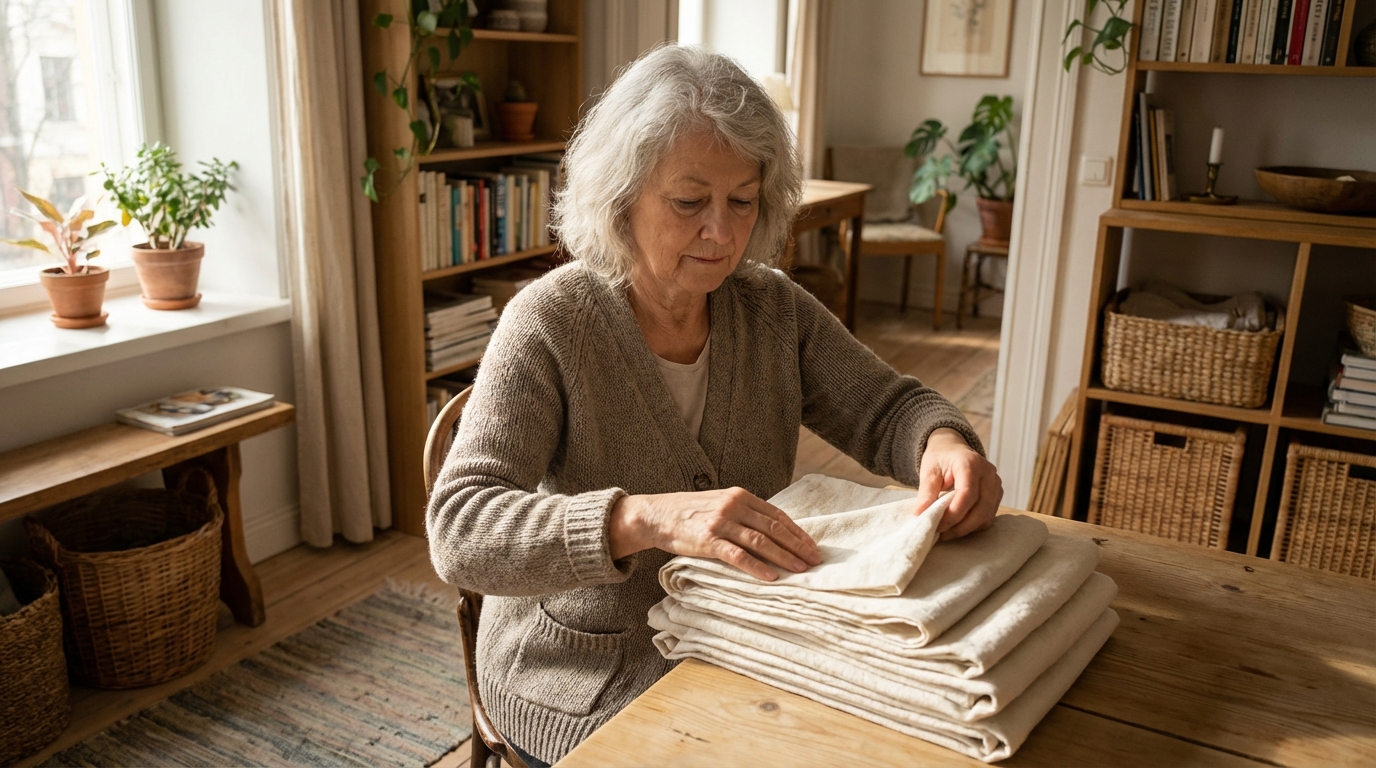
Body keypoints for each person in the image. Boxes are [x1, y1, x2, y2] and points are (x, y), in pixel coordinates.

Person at [426, 45, 1003, 767]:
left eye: (743, 200)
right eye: (689, 201)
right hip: (581, 676)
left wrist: (945, 444)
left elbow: (890, 408)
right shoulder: (550, 323)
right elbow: (460, 529)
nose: (723, 233)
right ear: (621, 194)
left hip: (741, 641)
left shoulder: (772, 309)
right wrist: (644, 518)